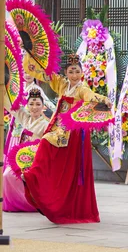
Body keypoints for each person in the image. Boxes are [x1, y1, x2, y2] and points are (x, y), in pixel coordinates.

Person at [22, 54, 111, 224]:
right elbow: (45, 74)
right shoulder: (62, 84)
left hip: (72, 132)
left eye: (77, 71)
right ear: (66, 73)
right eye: (71, 71)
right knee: (47, 146)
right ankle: (38, 179)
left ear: (82, 73)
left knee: (48, 143)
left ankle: (36, 176)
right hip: (59, 127)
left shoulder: (81, 88)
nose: (75, 75)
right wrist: (30, 54)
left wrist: (103, 100)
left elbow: (91, 96)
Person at [2, 89, 50, 212]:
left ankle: (33, 203)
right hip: (21, 158)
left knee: (26, 177)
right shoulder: (25, 118)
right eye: (31, 104)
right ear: (27, 106)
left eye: (38, 104)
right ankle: (16, 203)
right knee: (7, 174)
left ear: (43, 106)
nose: (34, 107)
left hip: (37, 160)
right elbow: (12, 106)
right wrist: (4, 88)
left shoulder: (46, 124)